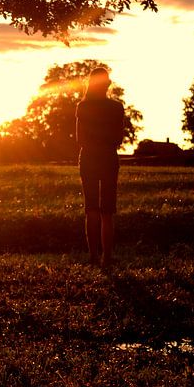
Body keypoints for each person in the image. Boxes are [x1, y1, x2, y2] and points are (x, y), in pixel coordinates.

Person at [76, 67, 124, 266]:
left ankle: (94, 256)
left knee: (92, 208)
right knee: (107, 211)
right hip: (108, 159)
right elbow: (119, 138)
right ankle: (107, 257)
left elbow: (80, 139)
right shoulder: (116, 107)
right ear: (107, 84)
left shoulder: (83, 106)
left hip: (88, 158)